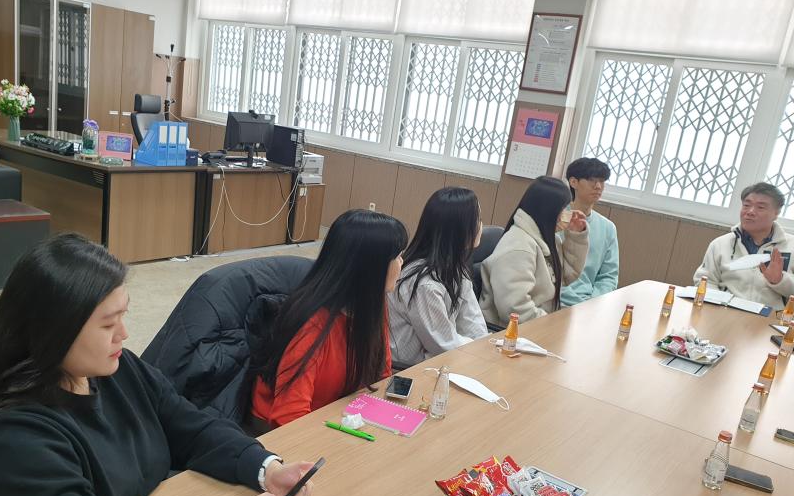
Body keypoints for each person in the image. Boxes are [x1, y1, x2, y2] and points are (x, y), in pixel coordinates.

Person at [0, 234, 314, 496]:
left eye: (122, 316)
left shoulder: (113, 370)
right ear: (54, 331)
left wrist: (264, 468)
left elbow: (189, 426)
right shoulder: (13, 436)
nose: (123, 334)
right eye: (108, 325)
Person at [251, 209, 407, 428]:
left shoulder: (372, 304)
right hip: (281, 429)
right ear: (371, 267)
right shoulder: (312, 325)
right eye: (397, 256)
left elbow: (381, 375)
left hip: (338, 413)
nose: (402, 263)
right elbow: (288, 416)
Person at [388, 187, 488, 366]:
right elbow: (444, 345)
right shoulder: (424, 283)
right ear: (460, 229)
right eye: (478, 220)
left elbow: (472, 321)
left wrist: (484, 347)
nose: (481, 226)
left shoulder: (455, 268)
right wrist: (478, 350)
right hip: (410, 369)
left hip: (440, 361)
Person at [479, 176, 589, 326]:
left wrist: (576, 236)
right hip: (510, 331)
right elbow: (514, 309)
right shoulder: (518, 248)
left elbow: (565, 276)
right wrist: (552, 325)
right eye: (562, 210)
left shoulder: (549, 239)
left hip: (536, 324)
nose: (566, 215)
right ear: (547, 210)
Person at [694, 183, 794, 311]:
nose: (750, 212)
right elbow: (705, 280)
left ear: (776, 213)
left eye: (760, 207)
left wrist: (780, 280)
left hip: (772, 318)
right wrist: (719, 306)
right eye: (746, 205)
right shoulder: (720, 244)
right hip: (725, 312)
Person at [559, 157, 619, 306]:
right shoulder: (556, 220)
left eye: (602, 181)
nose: (598, 186)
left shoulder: (608, 227)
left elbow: (609, 276)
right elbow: (549, 275)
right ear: (573, 182)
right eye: (592, 180)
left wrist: (592, 303)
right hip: (556, 301)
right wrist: (576, 304)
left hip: (590, 304)